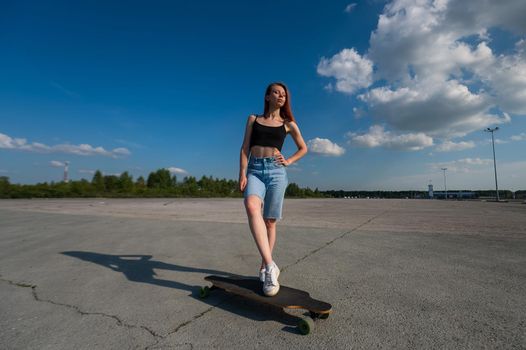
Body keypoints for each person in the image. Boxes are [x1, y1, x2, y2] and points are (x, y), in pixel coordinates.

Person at [238, 82, 308, 296]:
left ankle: (263, 266)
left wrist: (288, 161)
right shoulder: (253, 119)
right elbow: (245, 148)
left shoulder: (288, 124)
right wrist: (242, 172)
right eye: (276, 93)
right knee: (251, 206)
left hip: (277, 172)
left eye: (284, 95)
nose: (280, 96)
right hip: (255, 170)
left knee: (270, 221)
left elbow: (303, 148)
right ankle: (271, 266)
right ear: (267, 96)